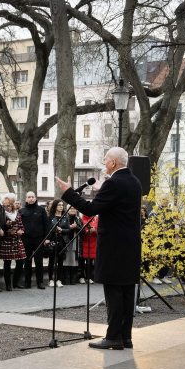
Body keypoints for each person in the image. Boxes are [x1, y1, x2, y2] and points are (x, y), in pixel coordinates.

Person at [56, 147, 142, 351]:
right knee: (127, 292)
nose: (104, 164)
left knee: (113, 292)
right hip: (130, 246)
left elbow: (91, 209)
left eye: (105, 160)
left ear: (113, 163)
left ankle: (113, 337)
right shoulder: (135, 182)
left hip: (113, 246)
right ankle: (125, 337)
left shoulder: (114, 182)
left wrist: (68, 192)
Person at [18, 191, 48, 289]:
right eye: (29, 197)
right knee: (27, 261)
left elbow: (46, 225)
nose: (31, 198)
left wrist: (47, 238)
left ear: (35, 198)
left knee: (39, 261)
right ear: (26, 199)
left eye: (32, 197)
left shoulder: (41, 210)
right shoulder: (21, 211)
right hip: (26, 239)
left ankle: (40, 282)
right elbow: (18, 225)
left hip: (39, 239)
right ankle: (27, 282)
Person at [0, 192, 26, 291]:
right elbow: (1, 227)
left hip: (17, 240)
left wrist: (21, 231)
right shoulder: (2, 214)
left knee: (20, 262)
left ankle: (15, 282)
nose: (9, 207)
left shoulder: (17, 213)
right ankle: (8, 285)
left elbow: (21, 226)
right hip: (7, 241)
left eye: (10, 205)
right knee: (7, 263)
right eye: (7, 205)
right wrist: (7, 227)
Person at [45, 200, 74, 287]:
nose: (61, 207)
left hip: (62, 241)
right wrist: (48, 238)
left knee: (60, 261)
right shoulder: (50, 217)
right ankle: (50, 279)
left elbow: (69, 230)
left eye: (62, 205)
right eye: (59, 205)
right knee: (51, 261)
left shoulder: (65, 217)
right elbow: (47, 229)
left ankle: (59, 280)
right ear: (55, 206)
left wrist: (61, 230)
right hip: (52, 241)